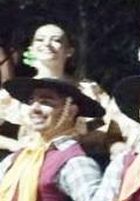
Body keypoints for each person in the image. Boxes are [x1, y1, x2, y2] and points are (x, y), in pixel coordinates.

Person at [0, 24, 115, 154]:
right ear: (31, 48)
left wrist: (79, 141)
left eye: (56, 40)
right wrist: (14, 145)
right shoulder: (17, 91)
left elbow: (113, 126)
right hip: (28, 163)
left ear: (69, 51)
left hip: (73, 160)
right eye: (40, 39)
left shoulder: (88, 89)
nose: (47, 44)